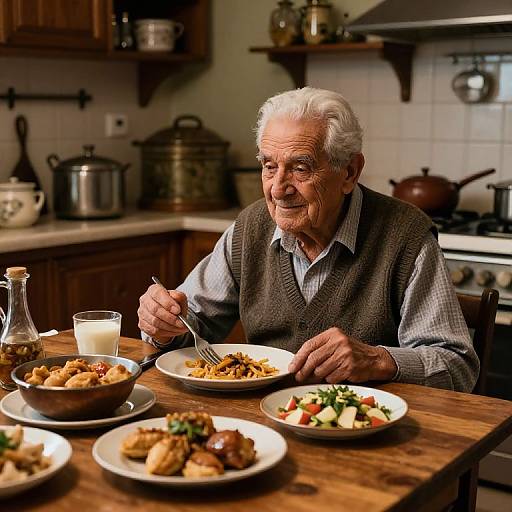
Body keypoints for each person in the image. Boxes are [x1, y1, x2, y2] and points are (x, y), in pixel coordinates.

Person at [138, 87, 479, 392]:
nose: (278, 188)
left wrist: (377, 360)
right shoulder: (250, 228)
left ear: (349, 172)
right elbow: (192, 324)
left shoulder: (406, 236)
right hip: (261, 426)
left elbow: (458, 366)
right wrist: (163, 323)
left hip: (366, 434)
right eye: (269, 166)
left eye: (300, 168)